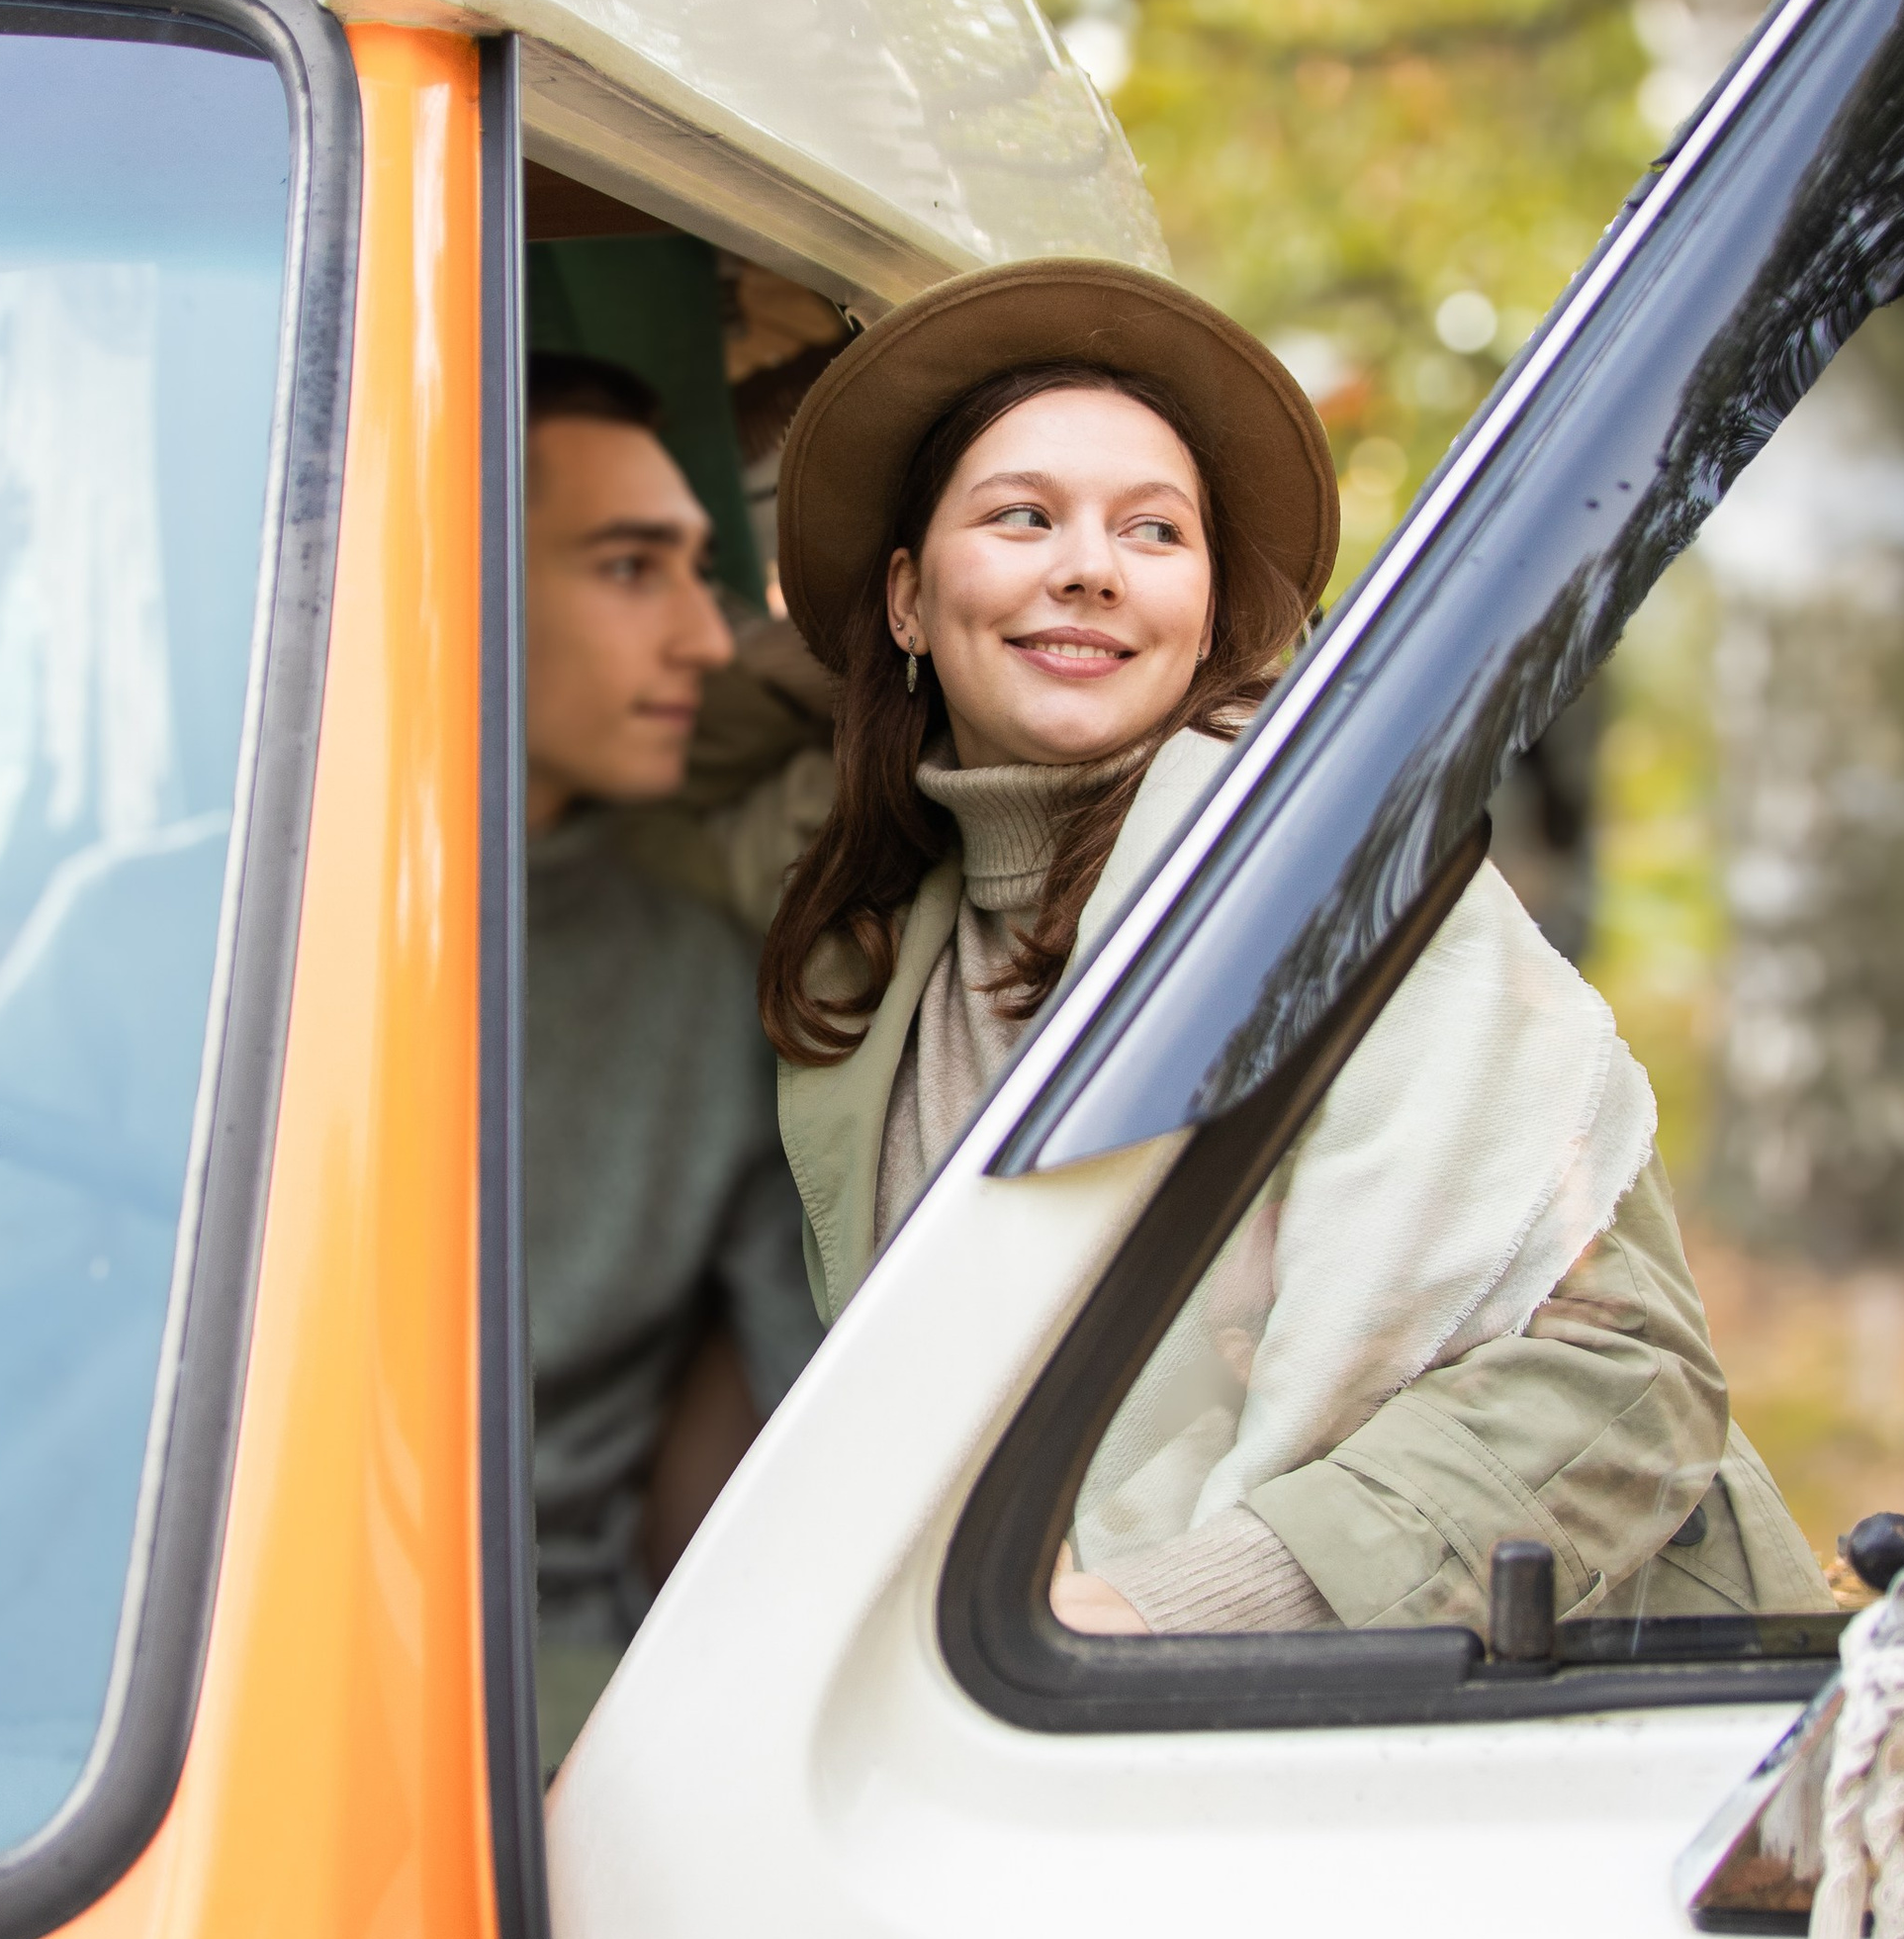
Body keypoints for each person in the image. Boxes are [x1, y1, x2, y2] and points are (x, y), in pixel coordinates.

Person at [759, 258, 1829, 1637]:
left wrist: (1171, 1617)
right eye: (1022, 517)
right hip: (1033, 1743)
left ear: (1205, 614)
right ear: (906, 601)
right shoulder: (869, 975)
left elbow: (1630, 1387)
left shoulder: (1339, 882)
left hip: (1532, 1734)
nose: (1087, 567)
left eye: (1154, 534)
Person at [518, 352, 822, 1761]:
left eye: (699, 572)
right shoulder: (147, 934)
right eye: (634, 568)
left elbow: (817, 1442)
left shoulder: (702, 984)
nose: (709, 639)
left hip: (551, 1723)